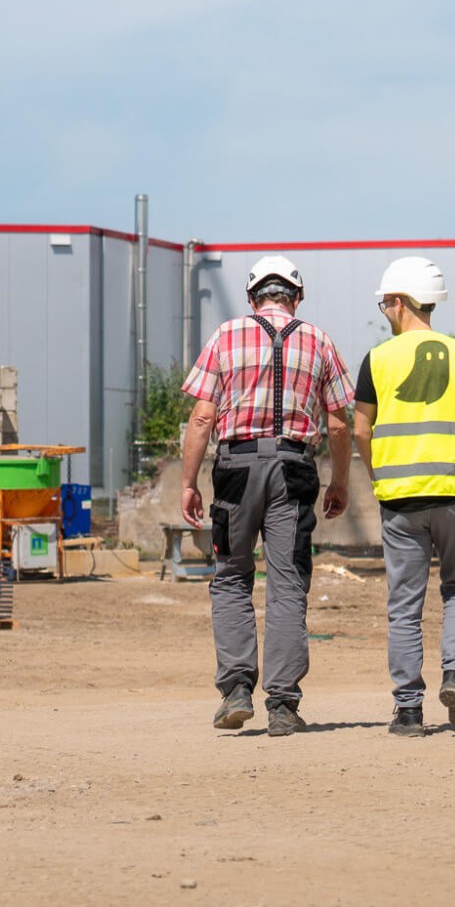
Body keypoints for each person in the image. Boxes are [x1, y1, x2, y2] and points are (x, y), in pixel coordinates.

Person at [180, 255, 352, 738]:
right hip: (295, 471)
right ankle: (282, 704)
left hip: (236, 468)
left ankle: (236, 689)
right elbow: (338, 422)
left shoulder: (225, 336)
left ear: (252, 295)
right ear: (296, 297)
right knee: (288, 582)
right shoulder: (318, 340)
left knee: (232, 576)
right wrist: (339, 481)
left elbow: (201, 418)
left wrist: (188, 481)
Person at [352, 256, 455, 736]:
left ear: (399, 302)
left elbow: (360, 428)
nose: (384, 311)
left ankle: (410, 710)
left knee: (405, 604)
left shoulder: (377, 358)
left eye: (385, 304)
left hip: (400, 497)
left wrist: (380, 473)